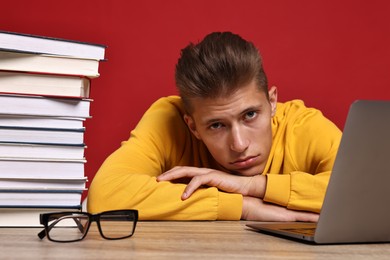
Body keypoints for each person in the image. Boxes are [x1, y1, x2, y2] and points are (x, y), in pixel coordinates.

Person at [87, 32, 341, 222]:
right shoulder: (169, 119)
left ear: (272, 102)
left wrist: (251, 185)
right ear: (193, 126)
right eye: (217, 125)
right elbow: (105, 196)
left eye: (250, 114)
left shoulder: (302, 125)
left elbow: (375, 193)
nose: (239, 144)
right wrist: (242, 206)